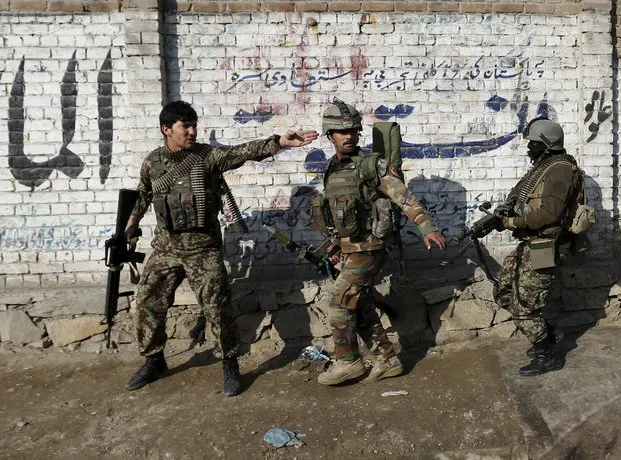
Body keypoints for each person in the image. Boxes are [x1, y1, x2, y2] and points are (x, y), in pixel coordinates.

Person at [124, 101, 318, 395]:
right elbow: (143, 194)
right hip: (167, 246)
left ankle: (230, 364)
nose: (191, 131)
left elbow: (241, 152)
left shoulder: (208, 157)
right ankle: (154, 360)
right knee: (148, 302)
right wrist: (130, 224)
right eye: (184, 126)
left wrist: (279, 142)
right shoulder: (152, 162)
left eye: (193, 125)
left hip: (203, 246)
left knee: (217, 308)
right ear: (167, 130)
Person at [311, 98, 446, 386]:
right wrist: (336, 245)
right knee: (358, 306)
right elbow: (339, 213)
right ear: (330, 135)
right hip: (351, 249)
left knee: (338, 303)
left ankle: (348, 362)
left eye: (353, 131)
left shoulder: (372, 165)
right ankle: (387, 359)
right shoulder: (331, 170)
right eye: (342, 131)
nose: (348, 136)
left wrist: (426, 227)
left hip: (371, 249)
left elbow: (403, 195)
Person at [494, 117, 584, 376]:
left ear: (546, 143)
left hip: (546, 247)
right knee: (503, 293)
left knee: (525, 307)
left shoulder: (560, 170)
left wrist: (509, 222)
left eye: (532, 143)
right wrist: (502, 210)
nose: (528, 147)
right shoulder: (542, 167)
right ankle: (549, 334)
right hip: (531, 243)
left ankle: (547, 355)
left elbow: (548, 215)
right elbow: (519, 193)